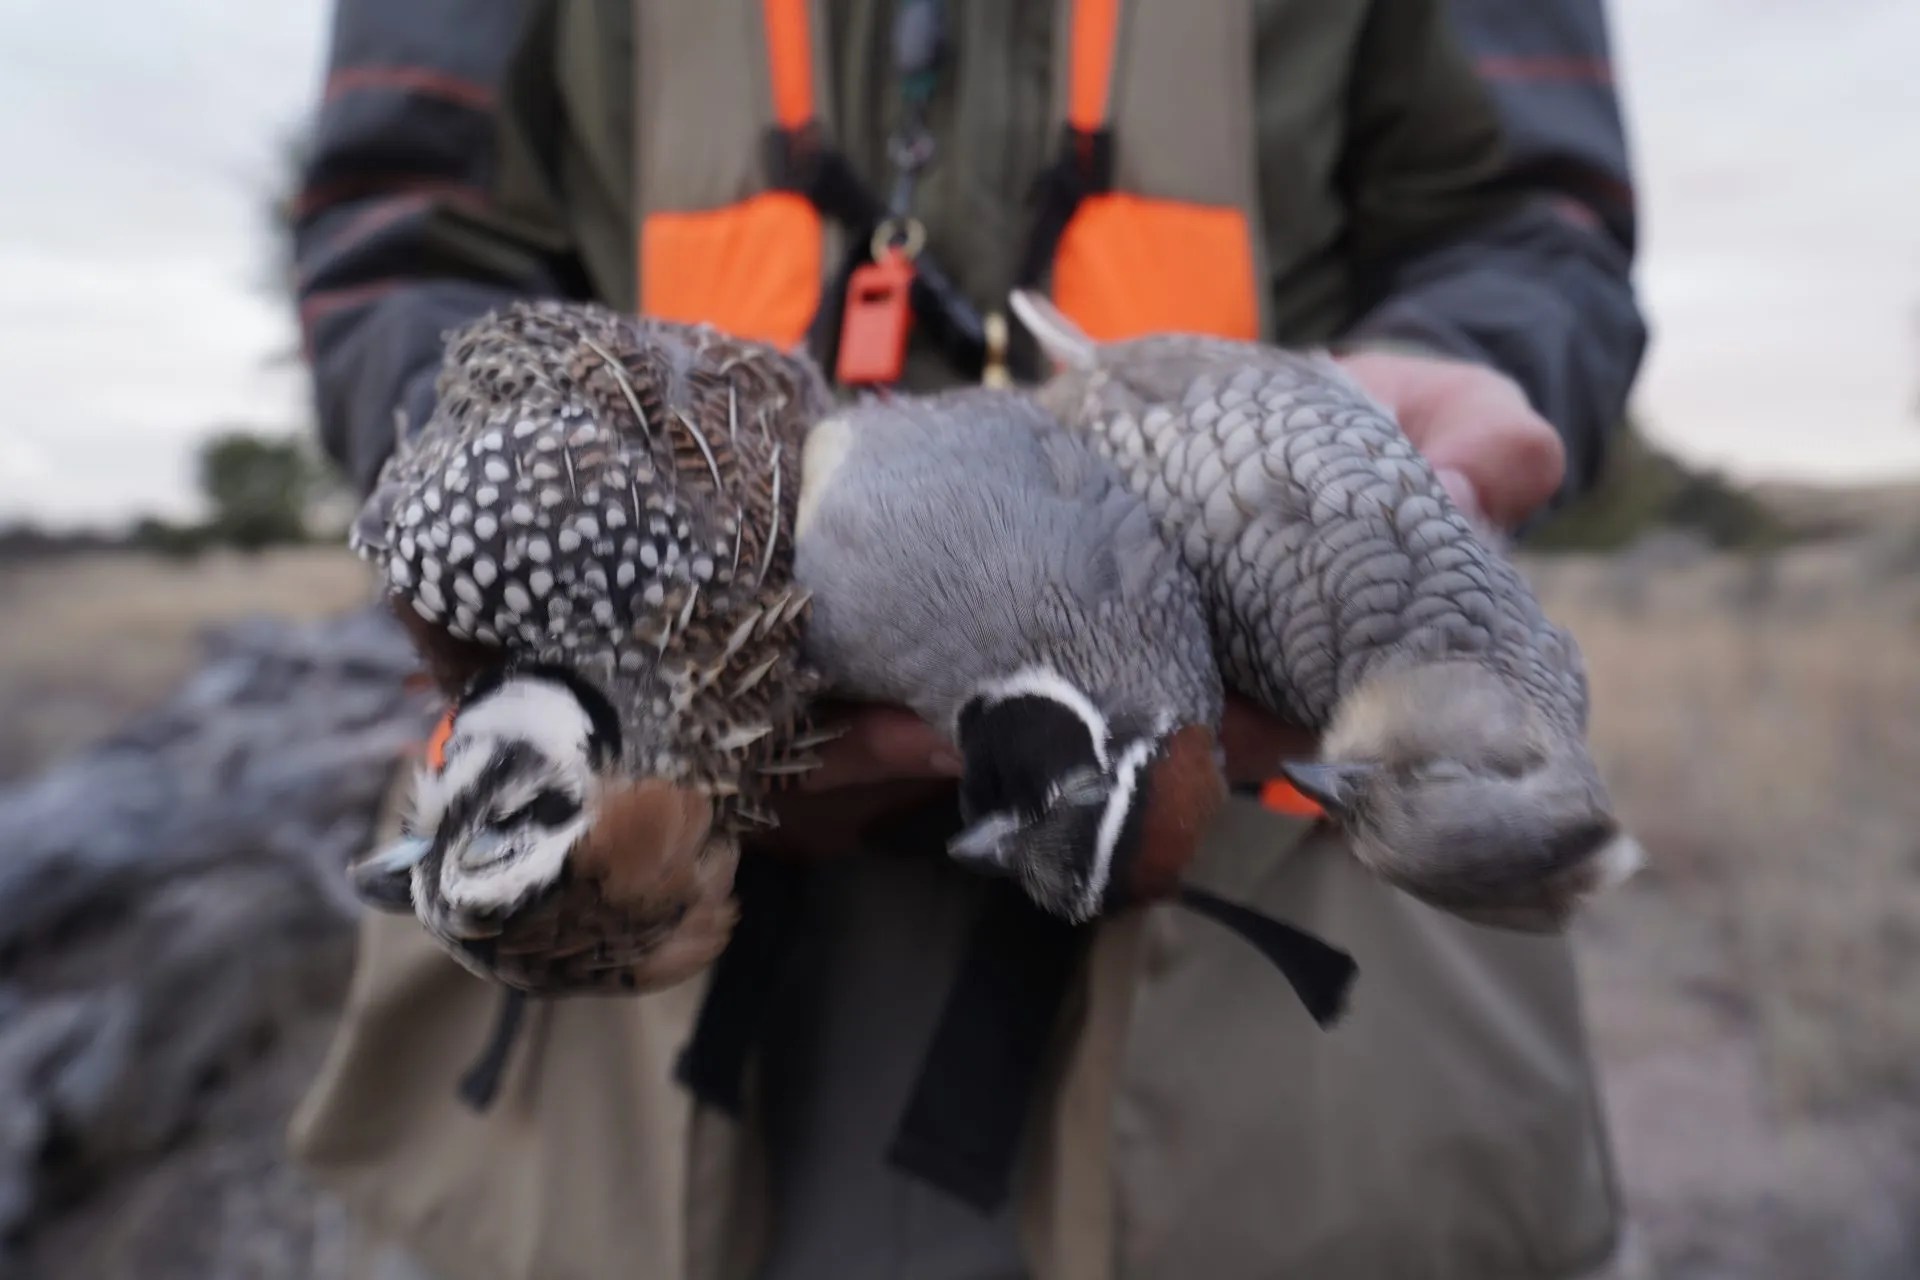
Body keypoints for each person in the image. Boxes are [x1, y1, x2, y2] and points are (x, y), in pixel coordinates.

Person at [287, 2, 1652, 1277]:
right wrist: (559, 531)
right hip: (660, 967)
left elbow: (1532, 227)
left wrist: (1423, 428)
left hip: (1258, 989)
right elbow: (406, 243)